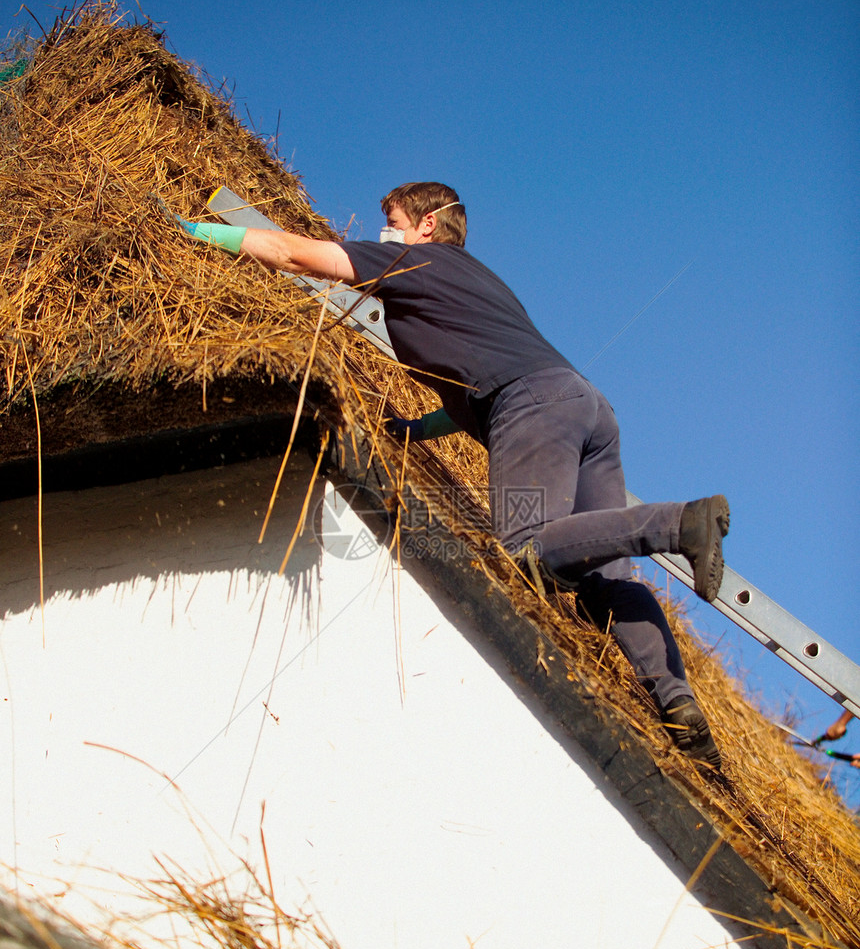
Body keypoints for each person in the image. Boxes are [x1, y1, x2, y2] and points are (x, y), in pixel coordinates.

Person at [177, 183, 730, 768]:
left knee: (526, 547)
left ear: (428, 224)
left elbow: (297, 254)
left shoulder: (411, 260)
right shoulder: (475, 279)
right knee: (603, 583)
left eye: (391, 219)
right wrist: (417, 429)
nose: (382, 229)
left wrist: (208, 234)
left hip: (535, 405)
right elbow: (474, 382)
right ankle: (679, 708)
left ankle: (679, 522)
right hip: (586, 407)